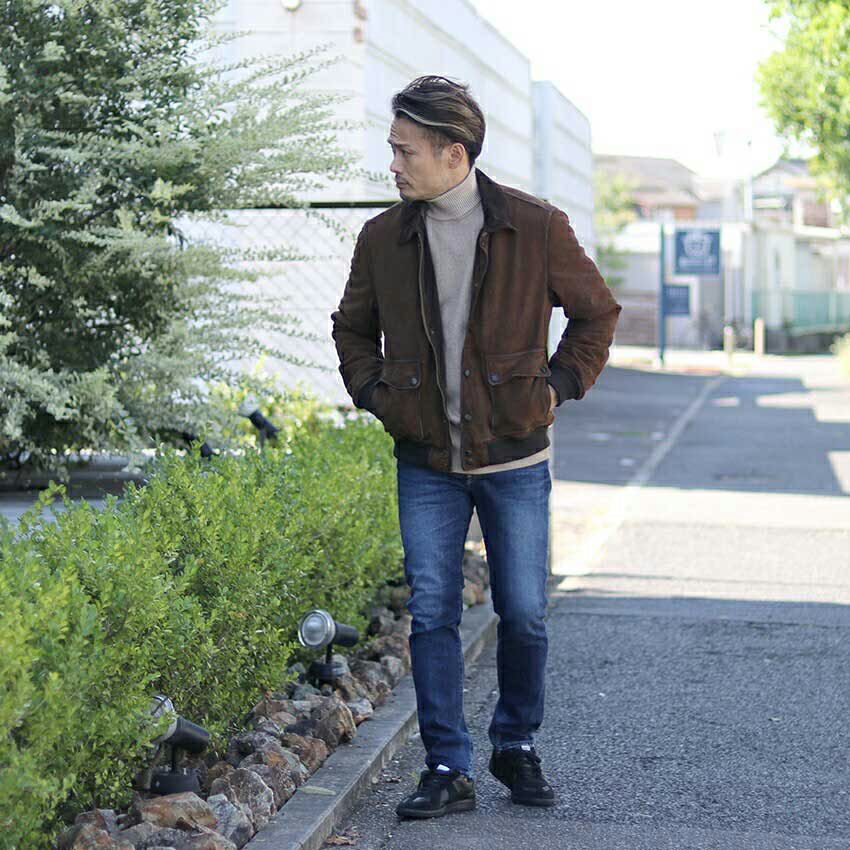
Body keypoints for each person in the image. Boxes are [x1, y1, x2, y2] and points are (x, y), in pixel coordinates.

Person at [331, 75, 621, 819]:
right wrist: (379, 396)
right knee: (432, 613)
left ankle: (515, 744)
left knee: (522, 611)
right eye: (393, 149)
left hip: (515, 458)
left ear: (453, 153)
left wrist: (557, 387)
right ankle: (446, 765)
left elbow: (596, 313)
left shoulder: (536, 226)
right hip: (426, 461)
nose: (393, 164)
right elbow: (351, 329)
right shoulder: (383, 238)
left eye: (405, 150)